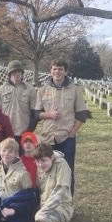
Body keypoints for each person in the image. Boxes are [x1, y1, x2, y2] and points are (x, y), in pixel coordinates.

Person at [36, 58, 87, 196]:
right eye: (54, 69)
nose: (57, 72)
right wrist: (49, 115)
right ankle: (48, 201)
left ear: (65, 71)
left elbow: (81, 115)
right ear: (50, 71)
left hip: (66, 138)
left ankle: (66, 203)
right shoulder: (42, 90)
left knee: (67, 171)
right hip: (47, 137)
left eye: (60, 69)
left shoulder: (75, 90)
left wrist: (72, 133)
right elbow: (37, 114)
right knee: (46, 170)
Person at [0, 60, 37, 148]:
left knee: (22, 160)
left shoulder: (30, 90)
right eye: (14, 72)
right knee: (7, 158)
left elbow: (34, 114)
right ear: (9, 73)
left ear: (22, 73)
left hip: (23, 132)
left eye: (19, 71)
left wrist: (29, 131)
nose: (16, 74)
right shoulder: (1, 90)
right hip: (6, 132)